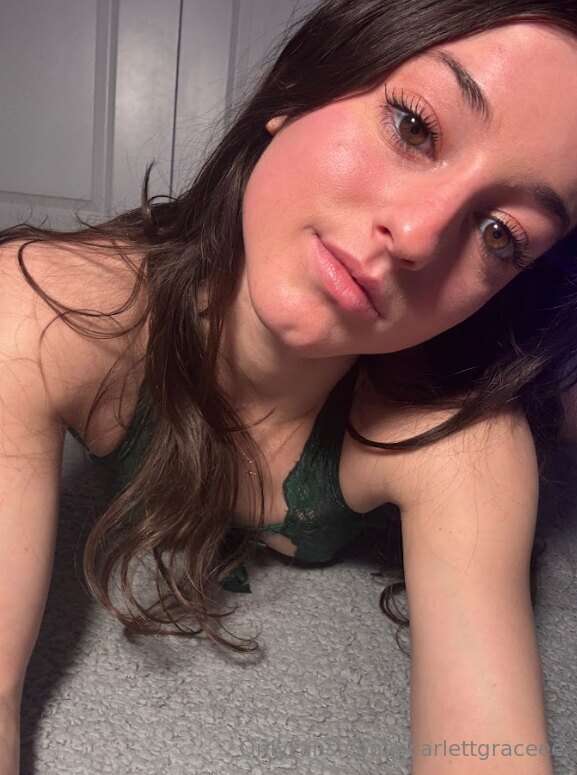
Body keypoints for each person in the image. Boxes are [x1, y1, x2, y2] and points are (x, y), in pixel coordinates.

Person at [0, 1, 576, 773]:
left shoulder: (461, 443)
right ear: (299, 86)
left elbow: (485, 749)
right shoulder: (44, 311)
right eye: (414, 126)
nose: (416, 235)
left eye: (501, 233)